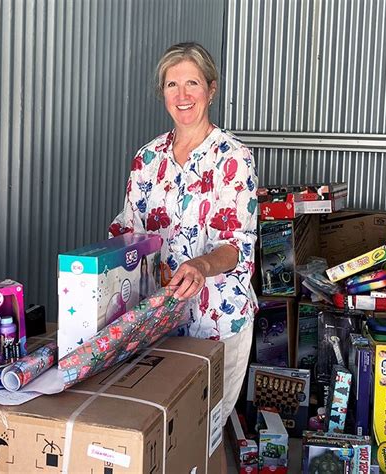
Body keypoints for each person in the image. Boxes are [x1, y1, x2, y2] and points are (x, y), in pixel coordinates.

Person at [109, 42, 258, 465]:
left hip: (218, 319)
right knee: (164, 438)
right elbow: (128, 232)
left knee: (203, 435)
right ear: (163, 94)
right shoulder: (147, 159)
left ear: (211, 89)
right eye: (172, 84)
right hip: (159, 320)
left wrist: (200, 265)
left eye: (192, 82)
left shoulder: (234, 158)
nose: (182, 94)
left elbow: (238, 244)